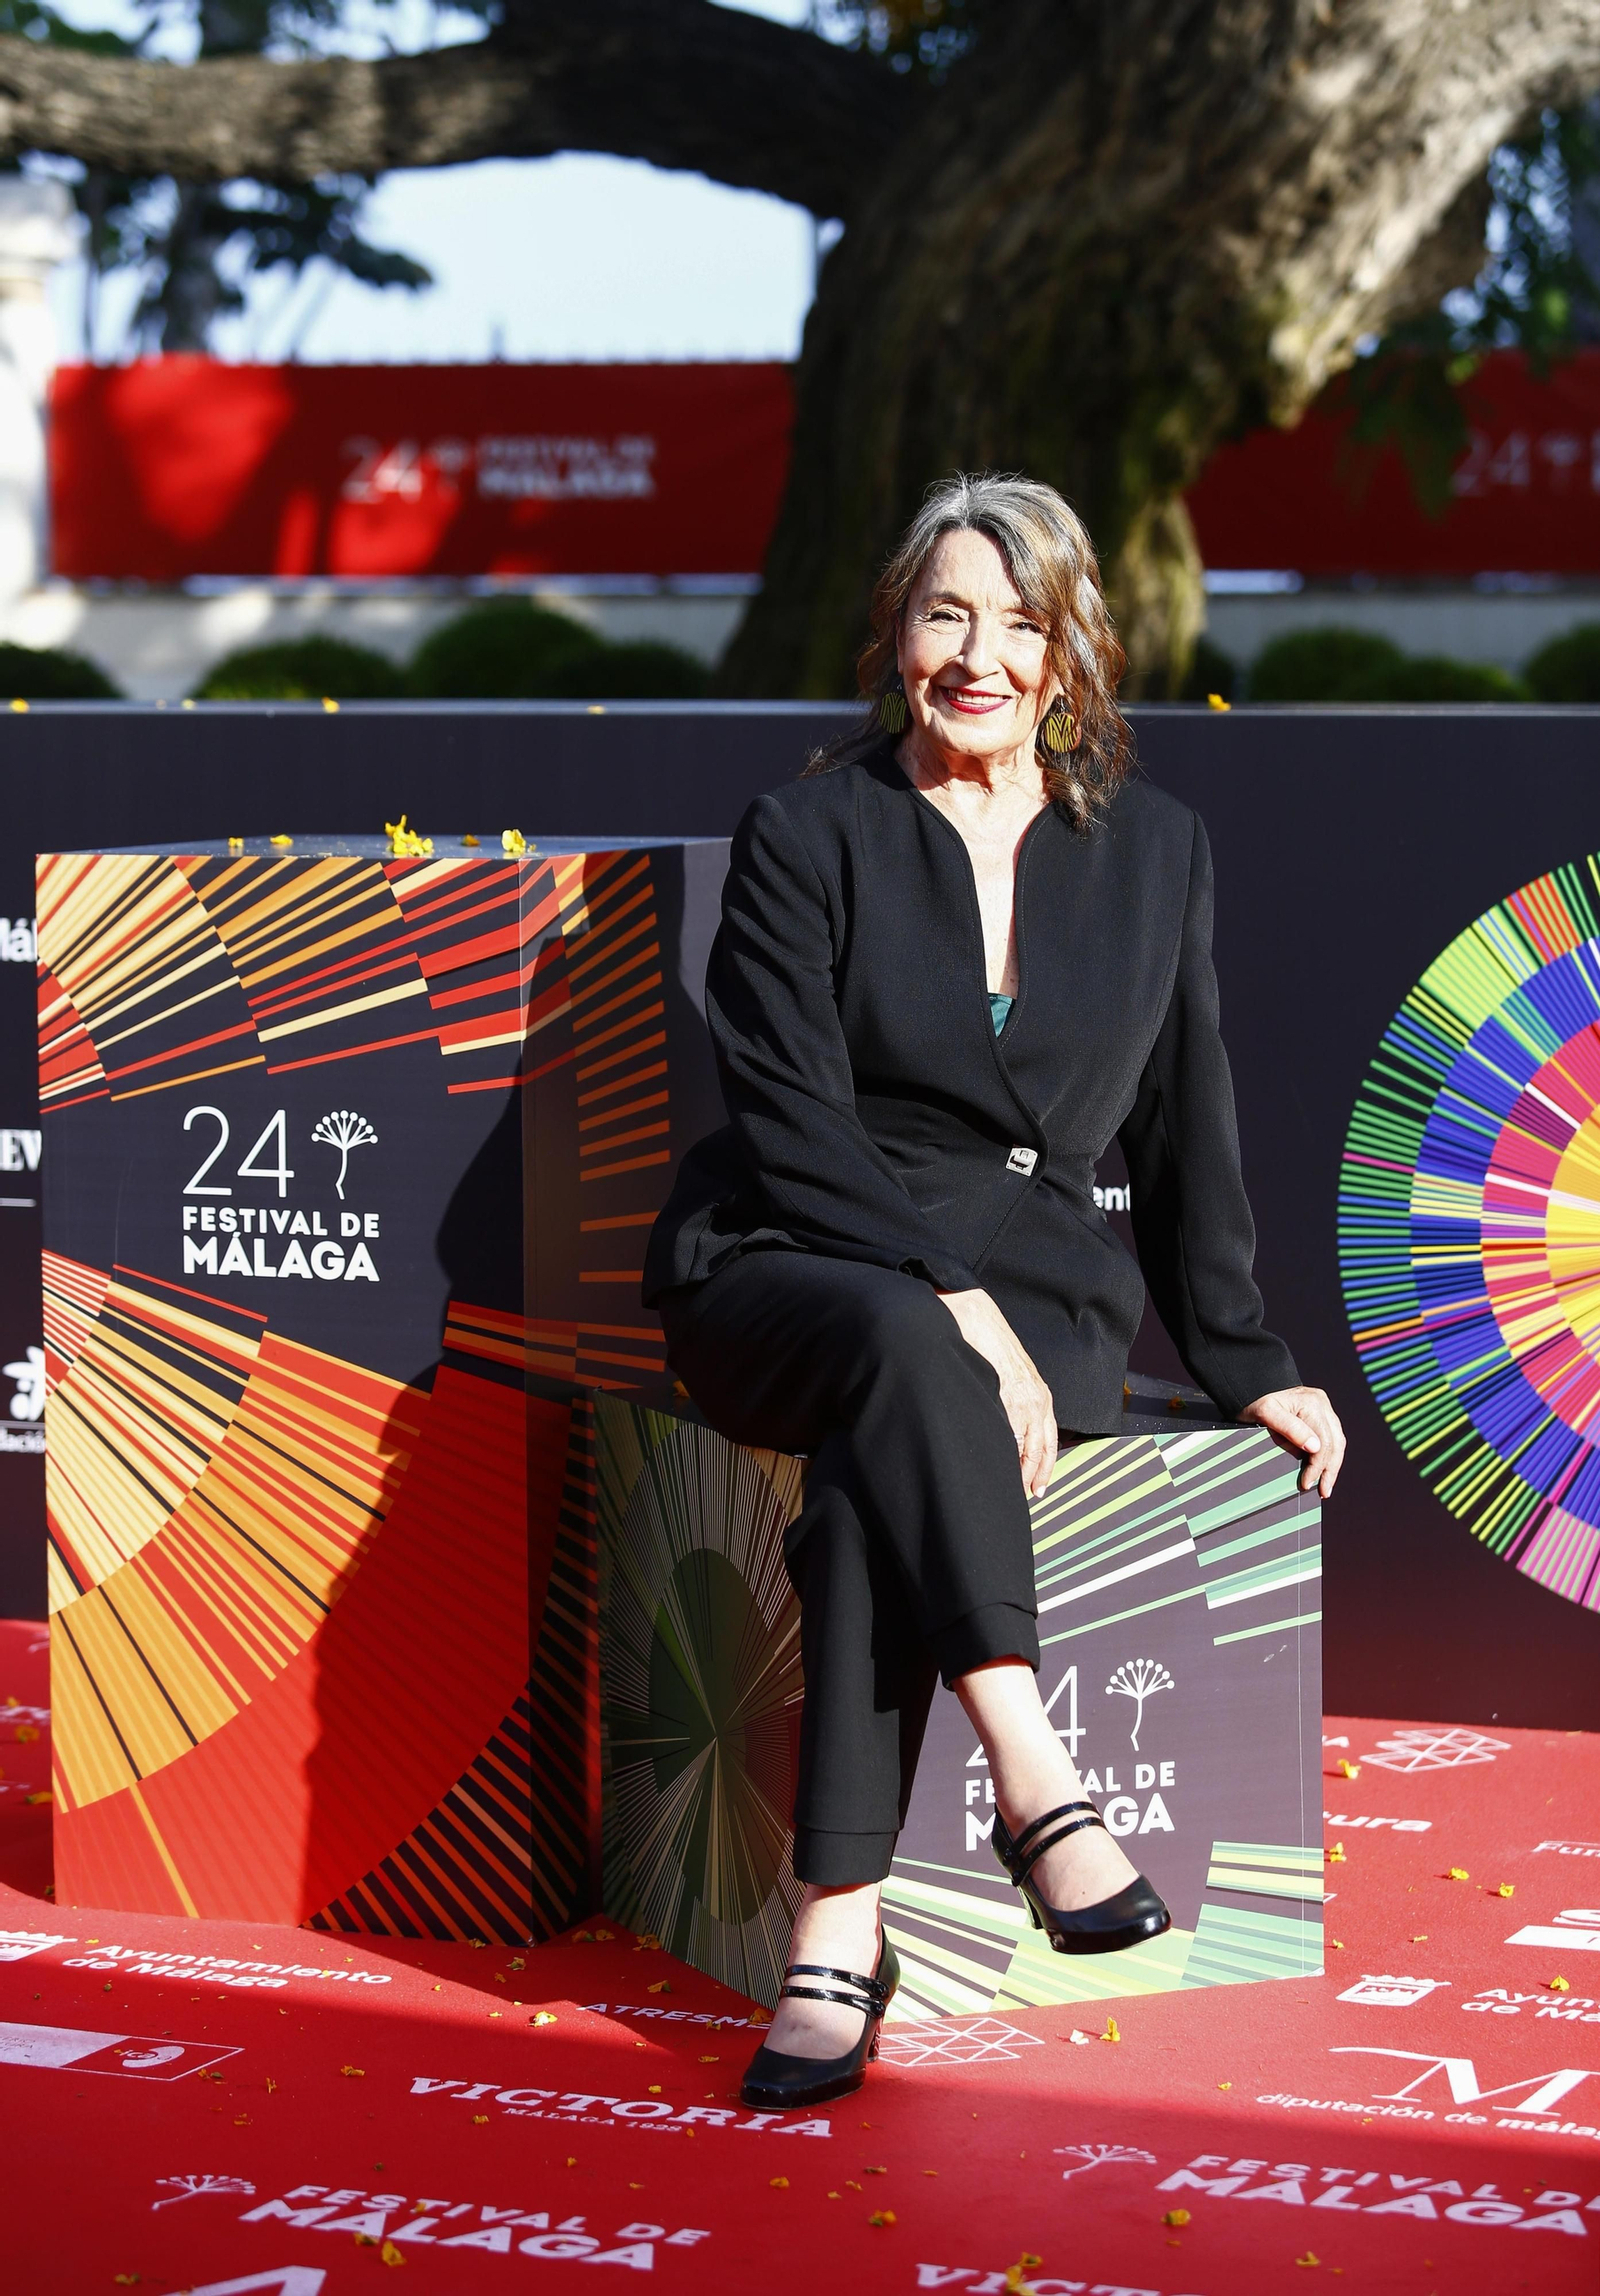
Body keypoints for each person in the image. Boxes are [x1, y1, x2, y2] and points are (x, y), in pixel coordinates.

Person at [642, 472, 1344, 2110]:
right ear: (895, 633)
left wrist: (1243, 1356)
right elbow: (792, 1116)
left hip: (1039, 1300)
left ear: (1070, 648)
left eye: (1019, 621)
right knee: (906, 1352)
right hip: (793, 1259)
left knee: (872, 1489)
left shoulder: (1157, 851)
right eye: (946, 613)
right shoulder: (806, 832)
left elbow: (1187, 1129)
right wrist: (944, 1294)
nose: (979, 654)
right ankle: (1037, 1781)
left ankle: (837, 1929)